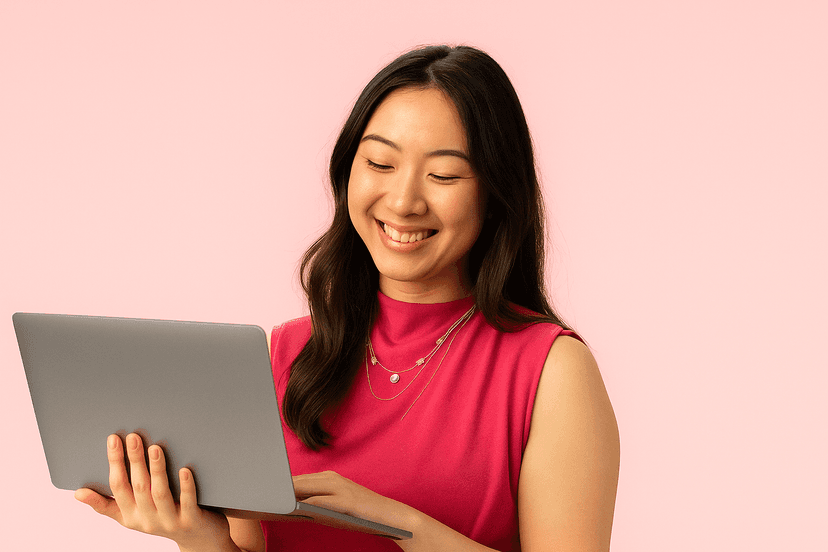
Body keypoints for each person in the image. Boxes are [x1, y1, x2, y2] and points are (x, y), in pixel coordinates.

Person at [75, 45, 620, 552]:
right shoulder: (288, 352)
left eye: (444, 174)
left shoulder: (551, 369)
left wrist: (397, 523)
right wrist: (200, 537)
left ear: (497, 194)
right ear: (347, 172)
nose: (404, 200)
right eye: (380, 164)